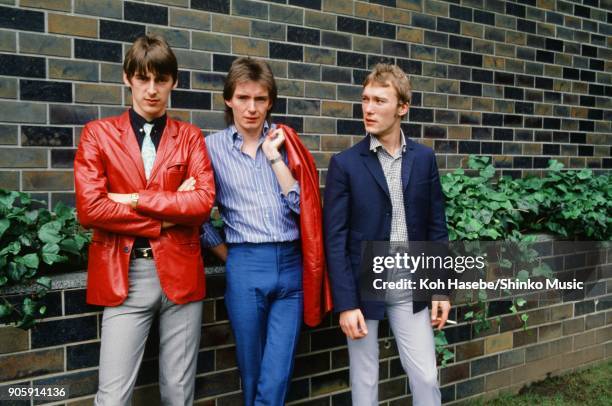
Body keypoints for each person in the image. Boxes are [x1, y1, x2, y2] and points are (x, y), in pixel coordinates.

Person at [74, 34, 215, 406]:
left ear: (174, 82)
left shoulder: (190, 137)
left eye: (161, 80)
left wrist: (134, 199)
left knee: (179, 393)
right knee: (113, 395)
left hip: (183, 275)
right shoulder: (98, 135)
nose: (151, 90)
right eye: (142, 78)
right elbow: (91, 210)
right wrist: (166, 216)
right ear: (127, 78)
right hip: (125, 275)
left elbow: (201, 204)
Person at [201, 57, 331, 406]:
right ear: (229, 99)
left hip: (291, 267)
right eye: (243, 98)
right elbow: (197, 213)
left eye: (260, 99)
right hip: (244, 264)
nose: (252, 108)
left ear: (270, 101)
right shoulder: (210, 148)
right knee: (252, 370)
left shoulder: (286, 143)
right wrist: (227, 255)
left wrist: (275, 158)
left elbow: (306, 209)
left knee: (278, 371)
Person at [323, 63, 451, 406]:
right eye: (365, 99)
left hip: (412, 281)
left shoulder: (424, 159)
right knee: (364, 380)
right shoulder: (345, 164)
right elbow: (334, 241)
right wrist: (346, 304)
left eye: (380, 100)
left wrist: (440, 288)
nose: (368, 108)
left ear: (402, 108)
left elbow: (436, 227)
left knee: (425, 374)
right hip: (364, 284)